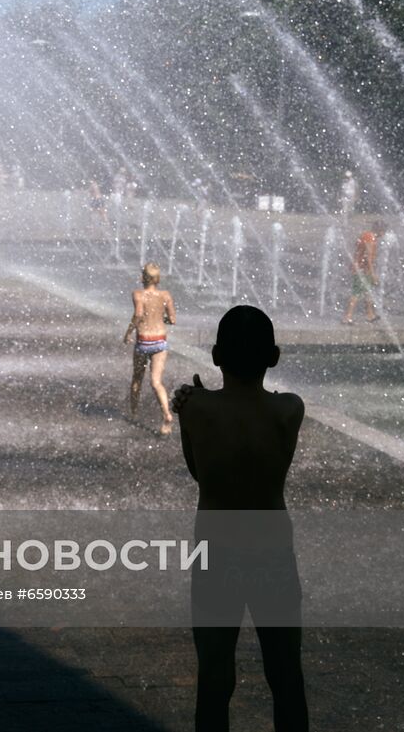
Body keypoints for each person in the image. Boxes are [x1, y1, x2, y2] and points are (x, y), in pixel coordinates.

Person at [172, 306, 308, 732]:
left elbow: (199, 474)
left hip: (217, 549)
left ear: (215, 356)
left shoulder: (195, 408)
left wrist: (189, 408)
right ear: (274, 356)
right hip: (272, 550)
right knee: (285, 674)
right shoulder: (289, 409)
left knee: (214, 676)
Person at [122, 263, 176, 435]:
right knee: (156, 382)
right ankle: (166, 415)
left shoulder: (138, 294)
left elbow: (138, 315)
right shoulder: (165, 295)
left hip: (144, 341)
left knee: (137, 378)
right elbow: (172, 319)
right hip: (160, 341)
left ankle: (134, 412)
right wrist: (160, 318)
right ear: (158, 278)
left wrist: (128, 332)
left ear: (142, 278)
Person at [342, 221, 385, 324]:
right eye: (384, 231)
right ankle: (347, 317)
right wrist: (373, 274)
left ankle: (370, 315)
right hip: (361, 270)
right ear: (380, 230)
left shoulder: (366, 236)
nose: (384, 234)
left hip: (362, 269)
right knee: (356, 293)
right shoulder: (369, 237)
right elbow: (368, 257)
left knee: (368, 292)